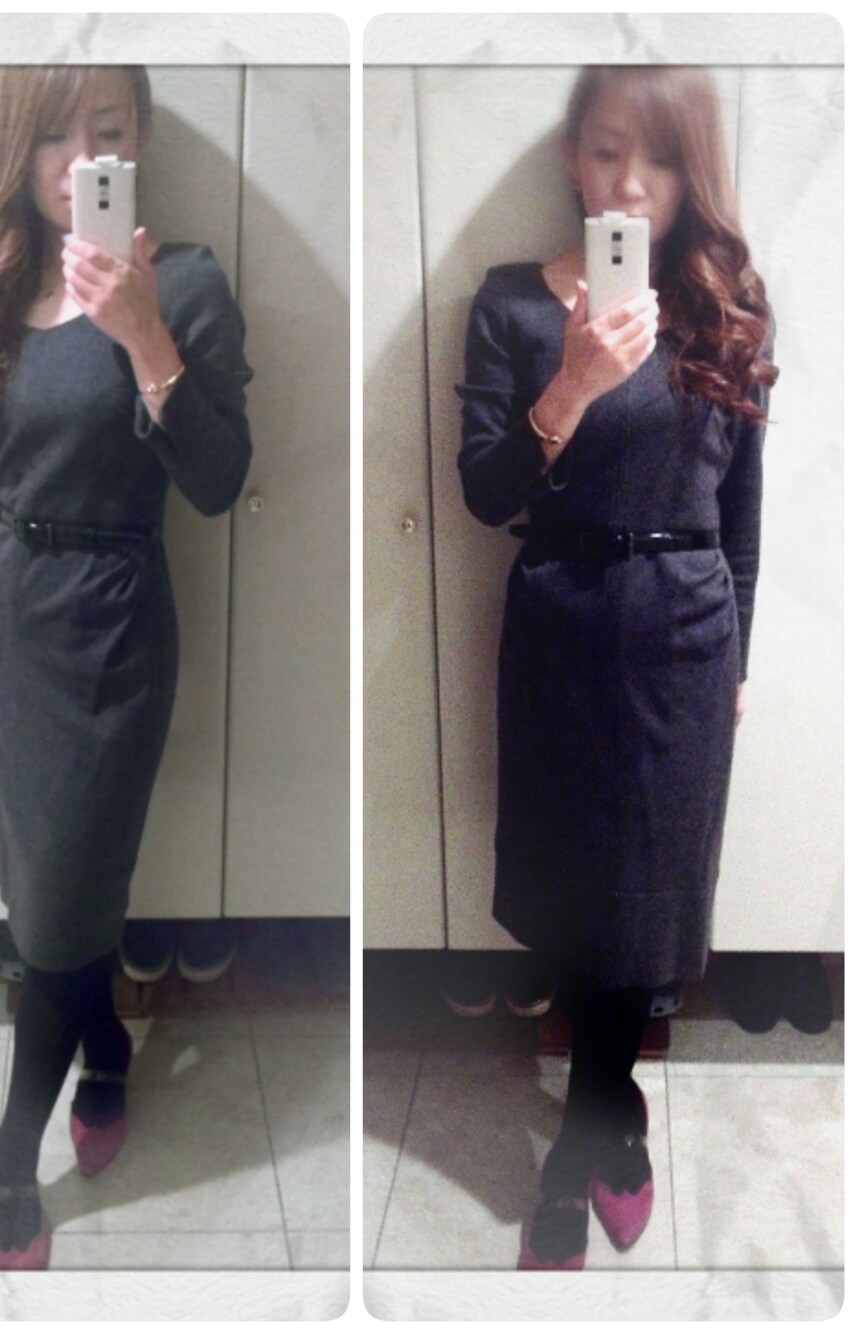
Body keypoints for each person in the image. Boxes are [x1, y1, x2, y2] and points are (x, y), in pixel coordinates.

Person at [0, 65, 252, 1269]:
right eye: (53, 135)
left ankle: (12, 1155)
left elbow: (218, 480)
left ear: (141, 139)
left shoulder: (185, 282)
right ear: (17, 149)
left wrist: (144, 332)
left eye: (106, 130)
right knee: (42, 892)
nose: (79, 159)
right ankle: (104, 1046)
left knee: (61, 900)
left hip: (113, 625)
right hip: (9, 616)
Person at [455, 66, 776, 1269]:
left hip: (685, 629)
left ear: (693, 175)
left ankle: (576, 1152)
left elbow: (741, 509)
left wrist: (738, 654)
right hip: (559, 618)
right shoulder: (510, 303)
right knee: (573, 888)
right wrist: (574, 382)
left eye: (659, 158)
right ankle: (613, 1116)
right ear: (570, 159)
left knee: (646, 898)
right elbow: (483, 491)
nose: (629, 184)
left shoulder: (725, 304)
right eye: (604, 152)